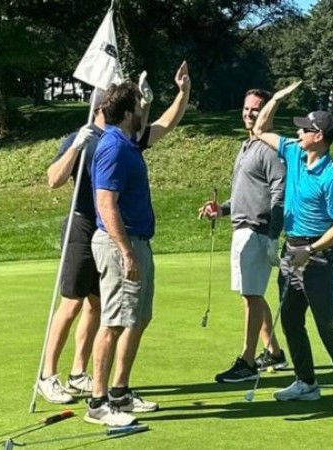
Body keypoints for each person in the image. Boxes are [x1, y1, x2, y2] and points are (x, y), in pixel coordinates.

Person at [86, 62, 191, 426]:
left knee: (138, 318)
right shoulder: (113, 148)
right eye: (140, 105)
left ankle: (120, 392)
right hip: (120, 244)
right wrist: (127, 252)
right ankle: (98, 404)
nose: (145, 109)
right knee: (114, 322)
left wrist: (183, 93)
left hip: (136, 242)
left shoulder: (129, 142)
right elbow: (105, 203)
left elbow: (164, 124)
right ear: (129, 112)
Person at [251, 81, 333, 410]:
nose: (298, 133)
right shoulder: (294, 154)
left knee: (326, 321)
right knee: (290, 319)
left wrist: (311, 250)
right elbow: (260, 128)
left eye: (305, 130)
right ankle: (306, 382)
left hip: (319, 256)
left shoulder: (332, 178)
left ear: (319, 137)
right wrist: (275, 98)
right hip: (292, 249)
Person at [198, 88, 288, 384]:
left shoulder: (271, 150)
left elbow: (278, 195)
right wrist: (220, 210)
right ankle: (273, 352)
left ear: (267, 113)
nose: (250, 114)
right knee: (251, 295)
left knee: (251, 296)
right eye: (247, 108)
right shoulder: (247, 145)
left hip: (258, 231)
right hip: (241, 229)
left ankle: (247, 361)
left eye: (256, 109)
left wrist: (274, 236)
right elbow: (242, 195)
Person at [33, 109, 106, 404]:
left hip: (104, 228)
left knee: (96, 304)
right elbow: (54, 179)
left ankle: (78, 374)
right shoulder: (79, 137)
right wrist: (77, 144)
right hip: (80, 224)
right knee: (72, 303)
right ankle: (47, 376)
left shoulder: (116, 138)